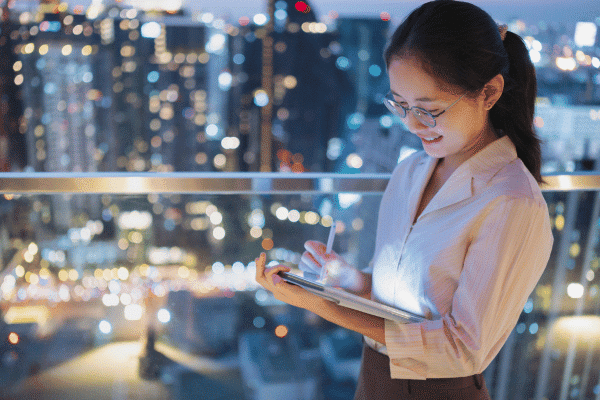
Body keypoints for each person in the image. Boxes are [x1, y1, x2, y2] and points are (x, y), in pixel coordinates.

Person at [255, 1, 554, 398]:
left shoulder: (513, 202)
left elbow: (462, 349)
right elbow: (406, 302)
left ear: (490, 92)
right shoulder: (412, 171)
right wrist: (350, 281)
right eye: (401, 105)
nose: (412, 125)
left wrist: (323, 307)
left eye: (429, 110)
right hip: (376, 375)